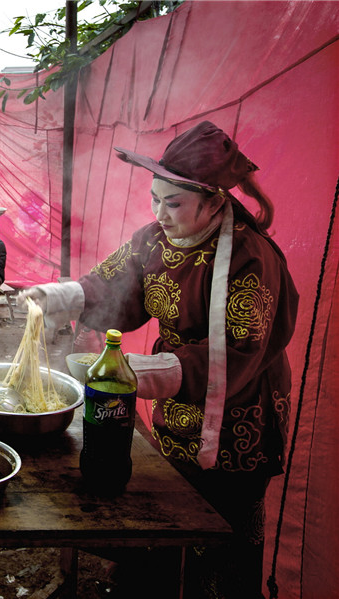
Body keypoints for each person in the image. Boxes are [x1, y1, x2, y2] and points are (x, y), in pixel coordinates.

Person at [19, 121, 298, 599]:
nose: (159, 214)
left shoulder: (249, 257)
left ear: (214, 201)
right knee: (173, 515)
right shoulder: (153, 240)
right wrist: (55, 297)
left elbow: (239, 351)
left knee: (223, 532)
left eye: (173, 203)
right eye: (155, 199)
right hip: (178, 406)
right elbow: (113, 286)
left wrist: (135, 373)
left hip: (238, 418)